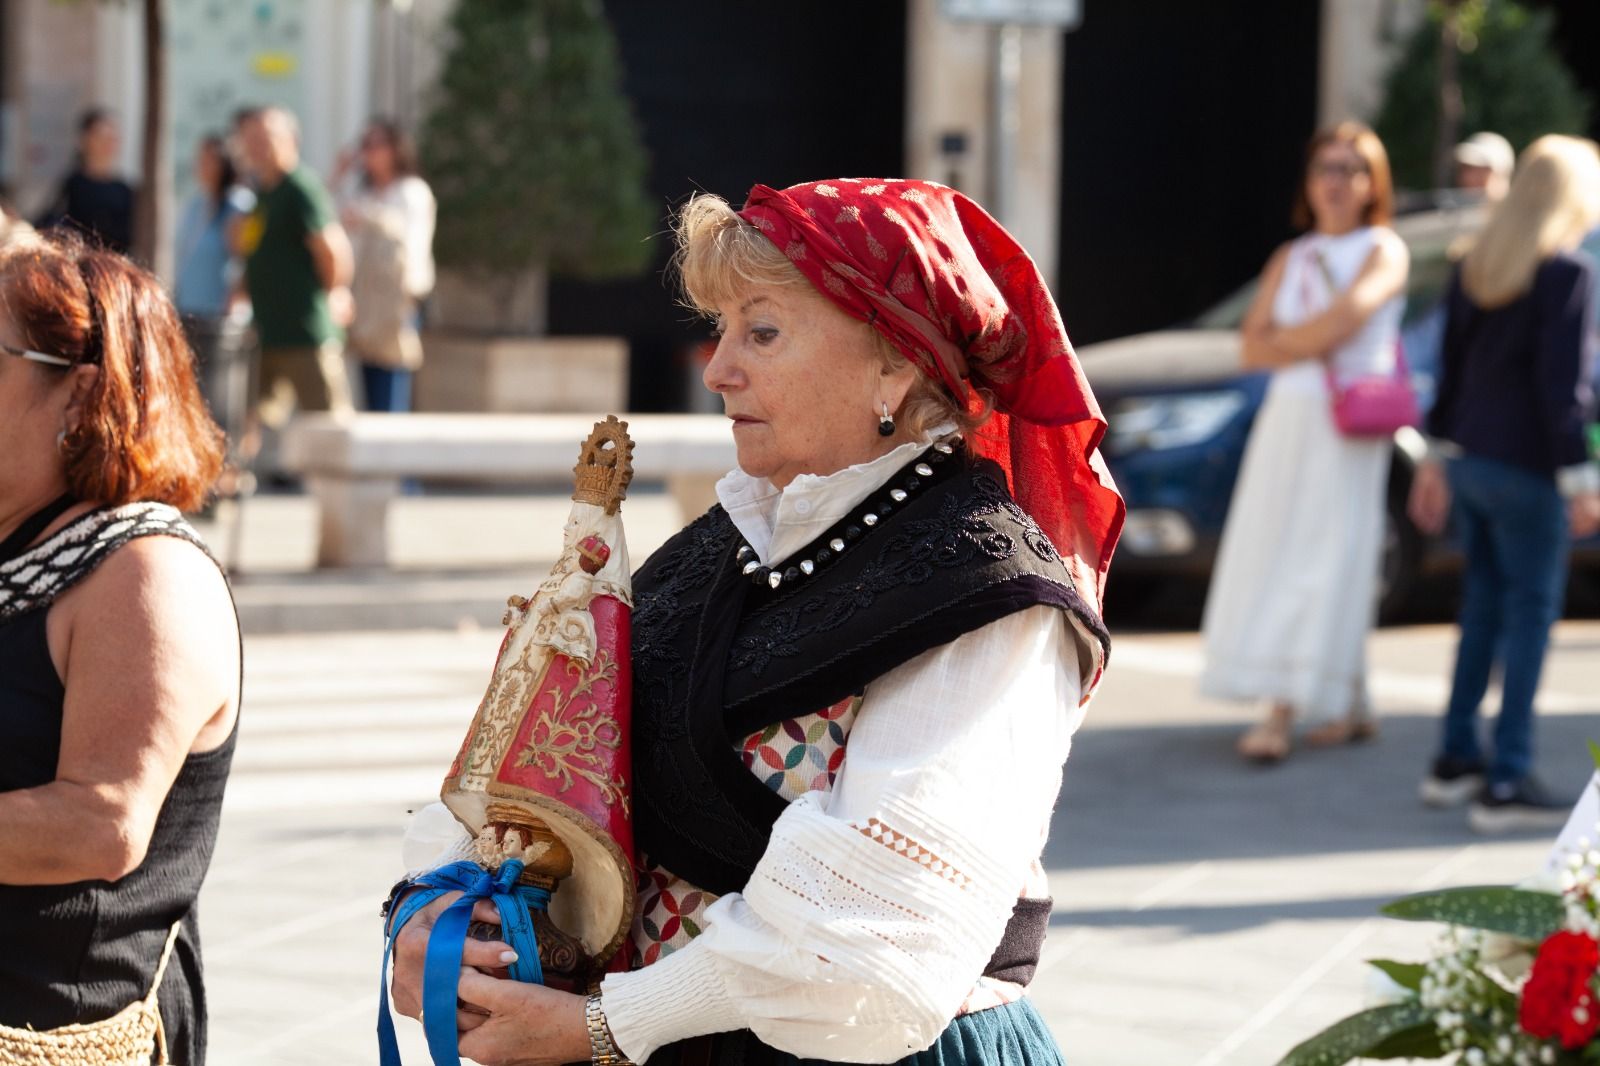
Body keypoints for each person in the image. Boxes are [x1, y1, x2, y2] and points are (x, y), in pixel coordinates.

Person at [388, 178, 1124, 1065]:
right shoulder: (724, 543)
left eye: (762, 332)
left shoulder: (989, 591)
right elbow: (546, 764)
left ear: (894, 361)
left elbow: (878, 949)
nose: (716, 368)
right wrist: (433, 912)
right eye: (723, 328)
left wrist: (603, 1026)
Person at [0, 234, 239, 1063]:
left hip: (56, 1032)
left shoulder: (145, 573)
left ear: (80, 393)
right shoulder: (15, 544)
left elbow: (100, 823)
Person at [1198, 122, 1410, 762]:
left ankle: (1283, 709)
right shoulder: (1291, 256)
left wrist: (1292, 340)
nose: (1338, 181)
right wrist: (1304, 339)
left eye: (1353, 168)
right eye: (1327, 167)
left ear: (1373, 182)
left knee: (1325, 553)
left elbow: (1325, 329)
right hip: (1288, 418)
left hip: (1346, 424)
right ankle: (1353, 698)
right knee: (1286, 544)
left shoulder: (1385, 248)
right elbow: (1249, 343)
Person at [1409, 135, 1600, 833]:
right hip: (1527, 471)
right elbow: (1563, 392)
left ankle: (1454, 760)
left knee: (1483, 612)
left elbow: (1450, 377)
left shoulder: (1477, 266)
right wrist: (1581, 480)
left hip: (1471, 463)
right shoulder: (1566, 274)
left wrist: (1433, 460)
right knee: (1527, 618)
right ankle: (1508, 775)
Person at [234, 106, 355, 431]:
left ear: (290, 141)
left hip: (304, 332)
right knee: (249, 419)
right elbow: (255, 251)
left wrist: (336, 292)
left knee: (329, 423)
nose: (258, 145)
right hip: (267, 329)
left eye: (266, 137)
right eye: (252, 138)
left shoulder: (301, 189)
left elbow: (332, 249)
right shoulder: (262, 193)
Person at [335, 118, 436, 413]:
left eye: (376, 145)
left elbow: (408, 239)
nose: (369, 153)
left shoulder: (411, 191)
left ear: (395, 149)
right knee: (368, 384)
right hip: (365, 300)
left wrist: (367, 217)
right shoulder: (362, 193)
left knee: (391, 384)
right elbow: (330, 219)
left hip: (396, 301)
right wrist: (339, 175)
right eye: (364, 145)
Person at [175, 134, 255, 449]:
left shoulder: (238, 204)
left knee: (221, 400)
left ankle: (227, 465)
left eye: (210, 160)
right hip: (191, 309)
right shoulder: (196, 203)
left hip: (221, 316)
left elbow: (243, 254)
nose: (202, 167)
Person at [35, 108, 135, 254]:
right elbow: (48, 224)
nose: (107, 144)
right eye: (100, 136)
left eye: (112, 138)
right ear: (85, 140)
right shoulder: (73, 185)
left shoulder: (125, 190)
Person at [1454, 131, 1515, 203]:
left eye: (1480, 172)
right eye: (1466, 168)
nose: (1467, 178)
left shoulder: (1520, 211)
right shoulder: (1448, 210)